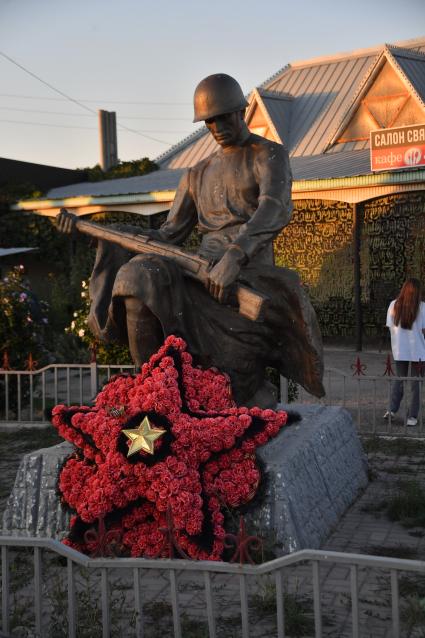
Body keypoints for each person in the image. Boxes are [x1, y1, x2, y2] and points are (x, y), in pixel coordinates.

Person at [58, 73, 324, 407]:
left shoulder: (267, 154)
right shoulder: (196, 173)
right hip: (200, 273)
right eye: (209, 121)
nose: (216, 127)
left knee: (236, 377)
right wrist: (98, 231)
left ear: (241, 111)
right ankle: (154, 396)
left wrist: (235, 256)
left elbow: (275, 208)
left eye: (223, 116)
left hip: (248, 273)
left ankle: (233, 394)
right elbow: (167, 234)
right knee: (137, 276)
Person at [385, 278, 425, 426]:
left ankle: (391, 409)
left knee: (400, 379)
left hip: (400, 350)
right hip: (419, 351)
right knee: (416, 384)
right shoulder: (422, 308)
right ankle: (412, 417)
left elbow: (390, 327)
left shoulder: (393, 305)